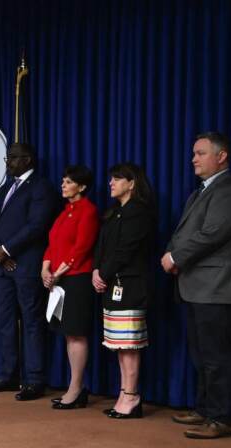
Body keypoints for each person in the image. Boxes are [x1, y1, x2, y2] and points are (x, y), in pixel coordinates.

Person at [161, 132, 231, 439]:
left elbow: (213, 233)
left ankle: (220, 419)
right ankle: (204, 409)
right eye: (193, 154)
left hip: (218, 286)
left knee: (216, 356)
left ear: (221, 156)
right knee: (201, 353)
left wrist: (175, 256)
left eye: (200, 153)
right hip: (197, 285)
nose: (193, 159)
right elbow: (185, 231)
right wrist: (173, 254)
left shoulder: (229, 190)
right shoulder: (201, 191)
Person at [0, 142, 58, 401]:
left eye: (13, 158)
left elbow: (37, 225)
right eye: (7, 158)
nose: (8, 162)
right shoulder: (6, 187)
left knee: (32, 322)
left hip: (26, 265)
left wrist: (8, 250)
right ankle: (8, 375)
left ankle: (34, 380)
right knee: (5, 322)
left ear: (28, 160)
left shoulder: (41, 187)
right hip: (3, 266)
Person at [93, 163, 156, 419]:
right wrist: (96, 270)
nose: (111, 183)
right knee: (119, 344)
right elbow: (103, 247)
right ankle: (125, 392)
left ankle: (131, 396)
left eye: (117, 179)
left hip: (129, 284)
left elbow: (125, 250)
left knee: (129, 344)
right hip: (112, 284)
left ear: (131, 183)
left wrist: (104, 273)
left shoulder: (138, 212)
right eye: (111, 179)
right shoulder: (115, 213)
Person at [41, 165, 99, 409]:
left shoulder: (89, 211)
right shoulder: (64, 212)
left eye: (68, 182)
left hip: (77, 279)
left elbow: (82, 248)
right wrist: (45, 269)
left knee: (76, 333)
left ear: (82, 186)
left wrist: (58, 272)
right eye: (63, 181)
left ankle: (76, 388)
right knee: (68, 334)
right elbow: (52, 244)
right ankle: (76, 386)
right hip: (59, 279)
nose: (63, 185)